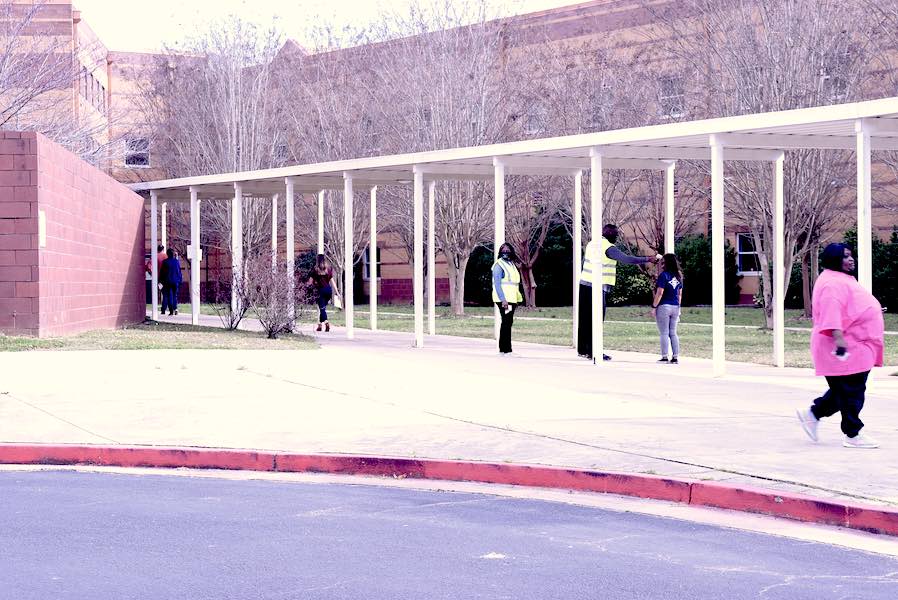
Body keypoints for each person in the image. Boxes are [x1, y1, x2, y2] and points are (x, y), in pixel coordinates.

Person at [796, 243, 884, 449]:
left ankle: (813, 414)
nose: (851, 259)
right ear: (834, 259)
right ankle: (852, 434)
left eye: (851, 255)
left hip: (856, 344)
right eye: (845, 256)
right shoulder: (831, 283)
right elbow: (831, 310)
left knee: (845, 391)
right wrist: (839, 339)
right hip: (844, 346)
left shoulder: (838, 279)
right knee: (851, 392)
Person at [577, 224, 660, 361]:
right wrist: (648, 259)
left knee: (585, 319)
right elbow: (626, 259)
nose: (617, 237)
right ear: (610, 234)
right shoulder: (608, 247)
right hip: (596, 287)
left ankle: (584, 350)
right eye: (616, 235)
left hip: (585, 283)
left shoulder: (592, 244)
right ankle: (595, 351)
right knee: (597, 320)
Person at [651, 253, 683, 364]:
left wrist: (654, 306)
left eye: (663, 261)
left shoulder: (663, 275)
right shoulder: (679, 276)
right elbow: (679, 294)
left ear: (666, 262)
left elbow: (660, 293)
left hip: (664, 306)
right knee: (673, 333)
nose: (662, 263)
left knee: (664, 333)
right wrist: (678, 307)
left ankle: (664, 357)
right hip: (675, 306)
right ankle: (675, 357)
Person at [492, 243, 523, 355]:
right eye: (503, 250)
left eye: (508, 249)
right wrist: (503, 299)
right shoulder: (499, 265)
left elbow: (514, 284)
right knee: (506, 322)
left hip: (512, 299)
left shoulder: (511, 264)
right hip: (504, 300)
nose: (505, 251)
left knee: (508, 322)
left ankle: (506, 349)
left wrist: (518, 299)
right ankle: (505, 349)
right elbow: (497, 284)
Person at [307, 254, 334, 332]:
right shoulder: (328, 270)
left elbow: (310, 282)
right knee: (322, 308)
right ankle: (319, 326)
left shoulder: (315, 270)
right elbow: (333, 282)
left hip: (320, 291)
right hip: (329, 291)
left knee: (322, 309)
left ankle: (326, 322)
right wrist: (337, 292)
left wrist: (307, 285)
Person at [160, 248, 182, 316]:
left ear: (167, 254)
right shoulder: (177, 261)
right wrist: (180, 280)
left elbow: (162, 273)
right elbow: (179, 272)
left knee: (169, 295)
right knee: (174, 295)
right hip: (175, 281)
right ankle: (175, 308)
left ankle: (171, 310)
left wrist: (160, 281)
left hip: (167, 281)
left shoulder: (165, 262)